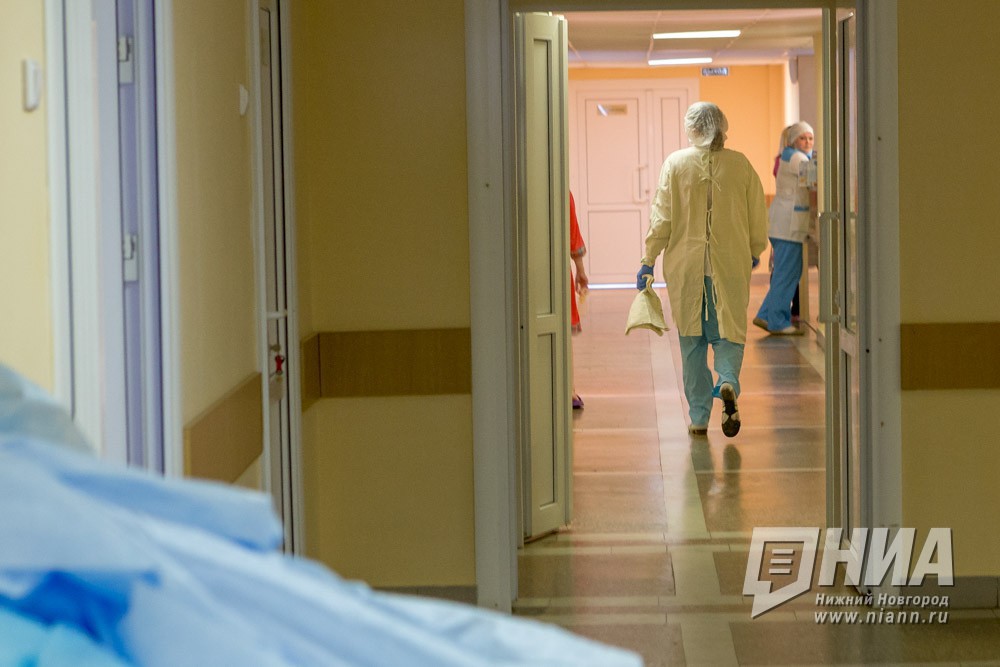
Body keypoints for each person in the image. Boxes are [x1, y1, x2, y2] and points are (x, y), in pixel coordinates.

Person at [636, 102, 768, 437]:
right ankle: (727, 381)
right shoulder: (740, 165)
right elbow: (757, 214)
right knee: (728, 333)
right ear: (723, 126)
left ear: (692, 128)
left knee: (692, 342)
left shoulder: (676, 164)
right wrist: (754, 249)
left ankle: (698, 417)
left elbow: (662, 217)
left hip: (686, 267)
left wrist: (648, 259)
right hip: (730, 265)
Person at [754, 121, 816, 335]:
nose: (807, 142)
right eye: (803, 138)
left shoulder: (788, 156)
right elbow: (814, 182)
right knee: (788, 273)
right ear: (792, 141)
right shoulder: (798, 158)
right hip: (788, 224)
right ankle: (778, 321)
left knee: (785, 272)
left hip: (783, 223)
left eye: (810, 138)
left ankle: (765, 314)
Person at [569, 192, 589, 409]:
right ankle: (569, 390)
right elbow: (572, 233)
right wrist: (580, 271)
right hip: (554, 269)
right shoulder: (560, 191)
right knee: (562, 334)